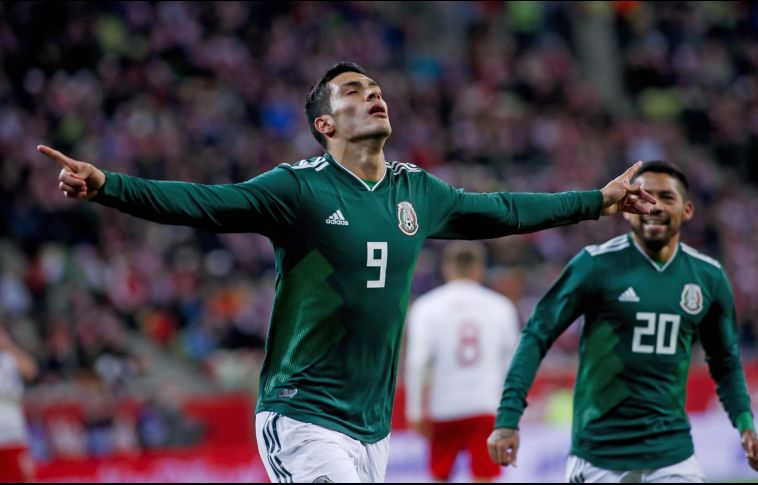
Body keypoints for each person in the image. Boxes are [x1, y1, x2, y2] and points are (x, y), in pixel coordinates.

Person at [39, 62, 655, 483]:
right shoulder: (297, 188)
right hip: (302, 413)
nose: (374, 94)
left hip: (372, 425)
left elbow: (506, 211)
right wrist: (108, 186)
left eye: (376, 88)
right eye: (355, 91)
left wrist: (595, 202)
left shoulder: (418, 191)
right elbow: (203, 202)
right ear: (324, 124)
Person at [487, 161, 758, 482]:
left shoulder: (708, 277)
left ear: (687, 210)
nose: (654, 206)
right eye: (643, 197)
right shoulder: (594, 265)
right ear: (625, 209)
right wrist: (508, 419)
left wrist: (745, 424)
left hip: (673, 454)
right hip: (599, 457)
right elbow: (537, 334)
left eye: (666, 197)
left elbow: (725, 361)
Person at [405, 241, 519, 482]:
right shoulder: (500, 306)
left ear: (447, 268)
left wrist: (414, 409)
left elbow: (417, 361)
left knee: (440, 475)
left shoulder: (427, 307)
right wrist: (512, 411)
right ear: (479, 268)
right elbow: (513, 364)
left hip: (444, 405)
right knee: (485, 475)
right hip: (486, 403)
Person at [0, 326, 38, 482]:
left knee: (23, 477)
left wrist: (8, 346)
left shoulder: (9, 358)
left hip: (14, 431)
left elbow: (31, 370)